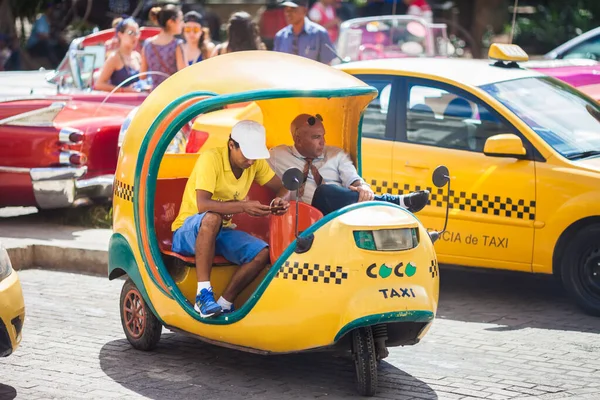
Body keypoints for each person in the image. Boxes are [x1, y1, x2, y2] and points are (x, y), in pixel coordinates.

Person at [171, 120, 290, 318]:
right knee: (211, 219)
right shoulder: (211, 159)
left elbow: (284, 187)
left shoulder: (254, 163)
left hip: (219, 233)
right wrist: (244, 206)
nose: (251, 161)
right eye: (247, 154)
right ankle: (203, 295)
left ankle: (225, 303)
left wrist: (280, 200)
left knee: (262, 253)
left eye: (255, 156)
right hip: (188, 231)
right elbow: (204, 205)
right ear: (231, 145)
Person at [267, 113, 429, 215]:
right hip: (304, 218)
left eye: (323, 136)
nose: (323, 142)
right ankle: (394, 202)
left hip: (341, 213)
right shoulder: (276, 155)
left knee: (326, 191)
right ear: (298, 139)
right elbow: (252, 163)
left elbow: (353, 178)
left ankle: (396, 208)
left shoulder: (335, 154)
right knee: (323, 191)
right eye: (316, 137)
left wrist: (363, 188)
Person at [140, 4, 186, 89]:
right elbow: (183, 75)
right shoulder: (177, 45)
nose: (183, 24)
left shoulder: (147, 44)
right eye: (181, 20)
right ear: (170, 22)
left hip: (154, 94)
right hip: (173, 96)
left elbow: (142, 76)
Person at [94, 17, 142, 93]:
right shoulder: (114, 57)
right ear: (120, 34)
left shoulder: (137, 56)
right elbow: (99, 84)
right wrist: (124, 90)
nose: (135, 37)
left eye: (137, 33)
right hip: (120, 103)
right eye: (131, 33)